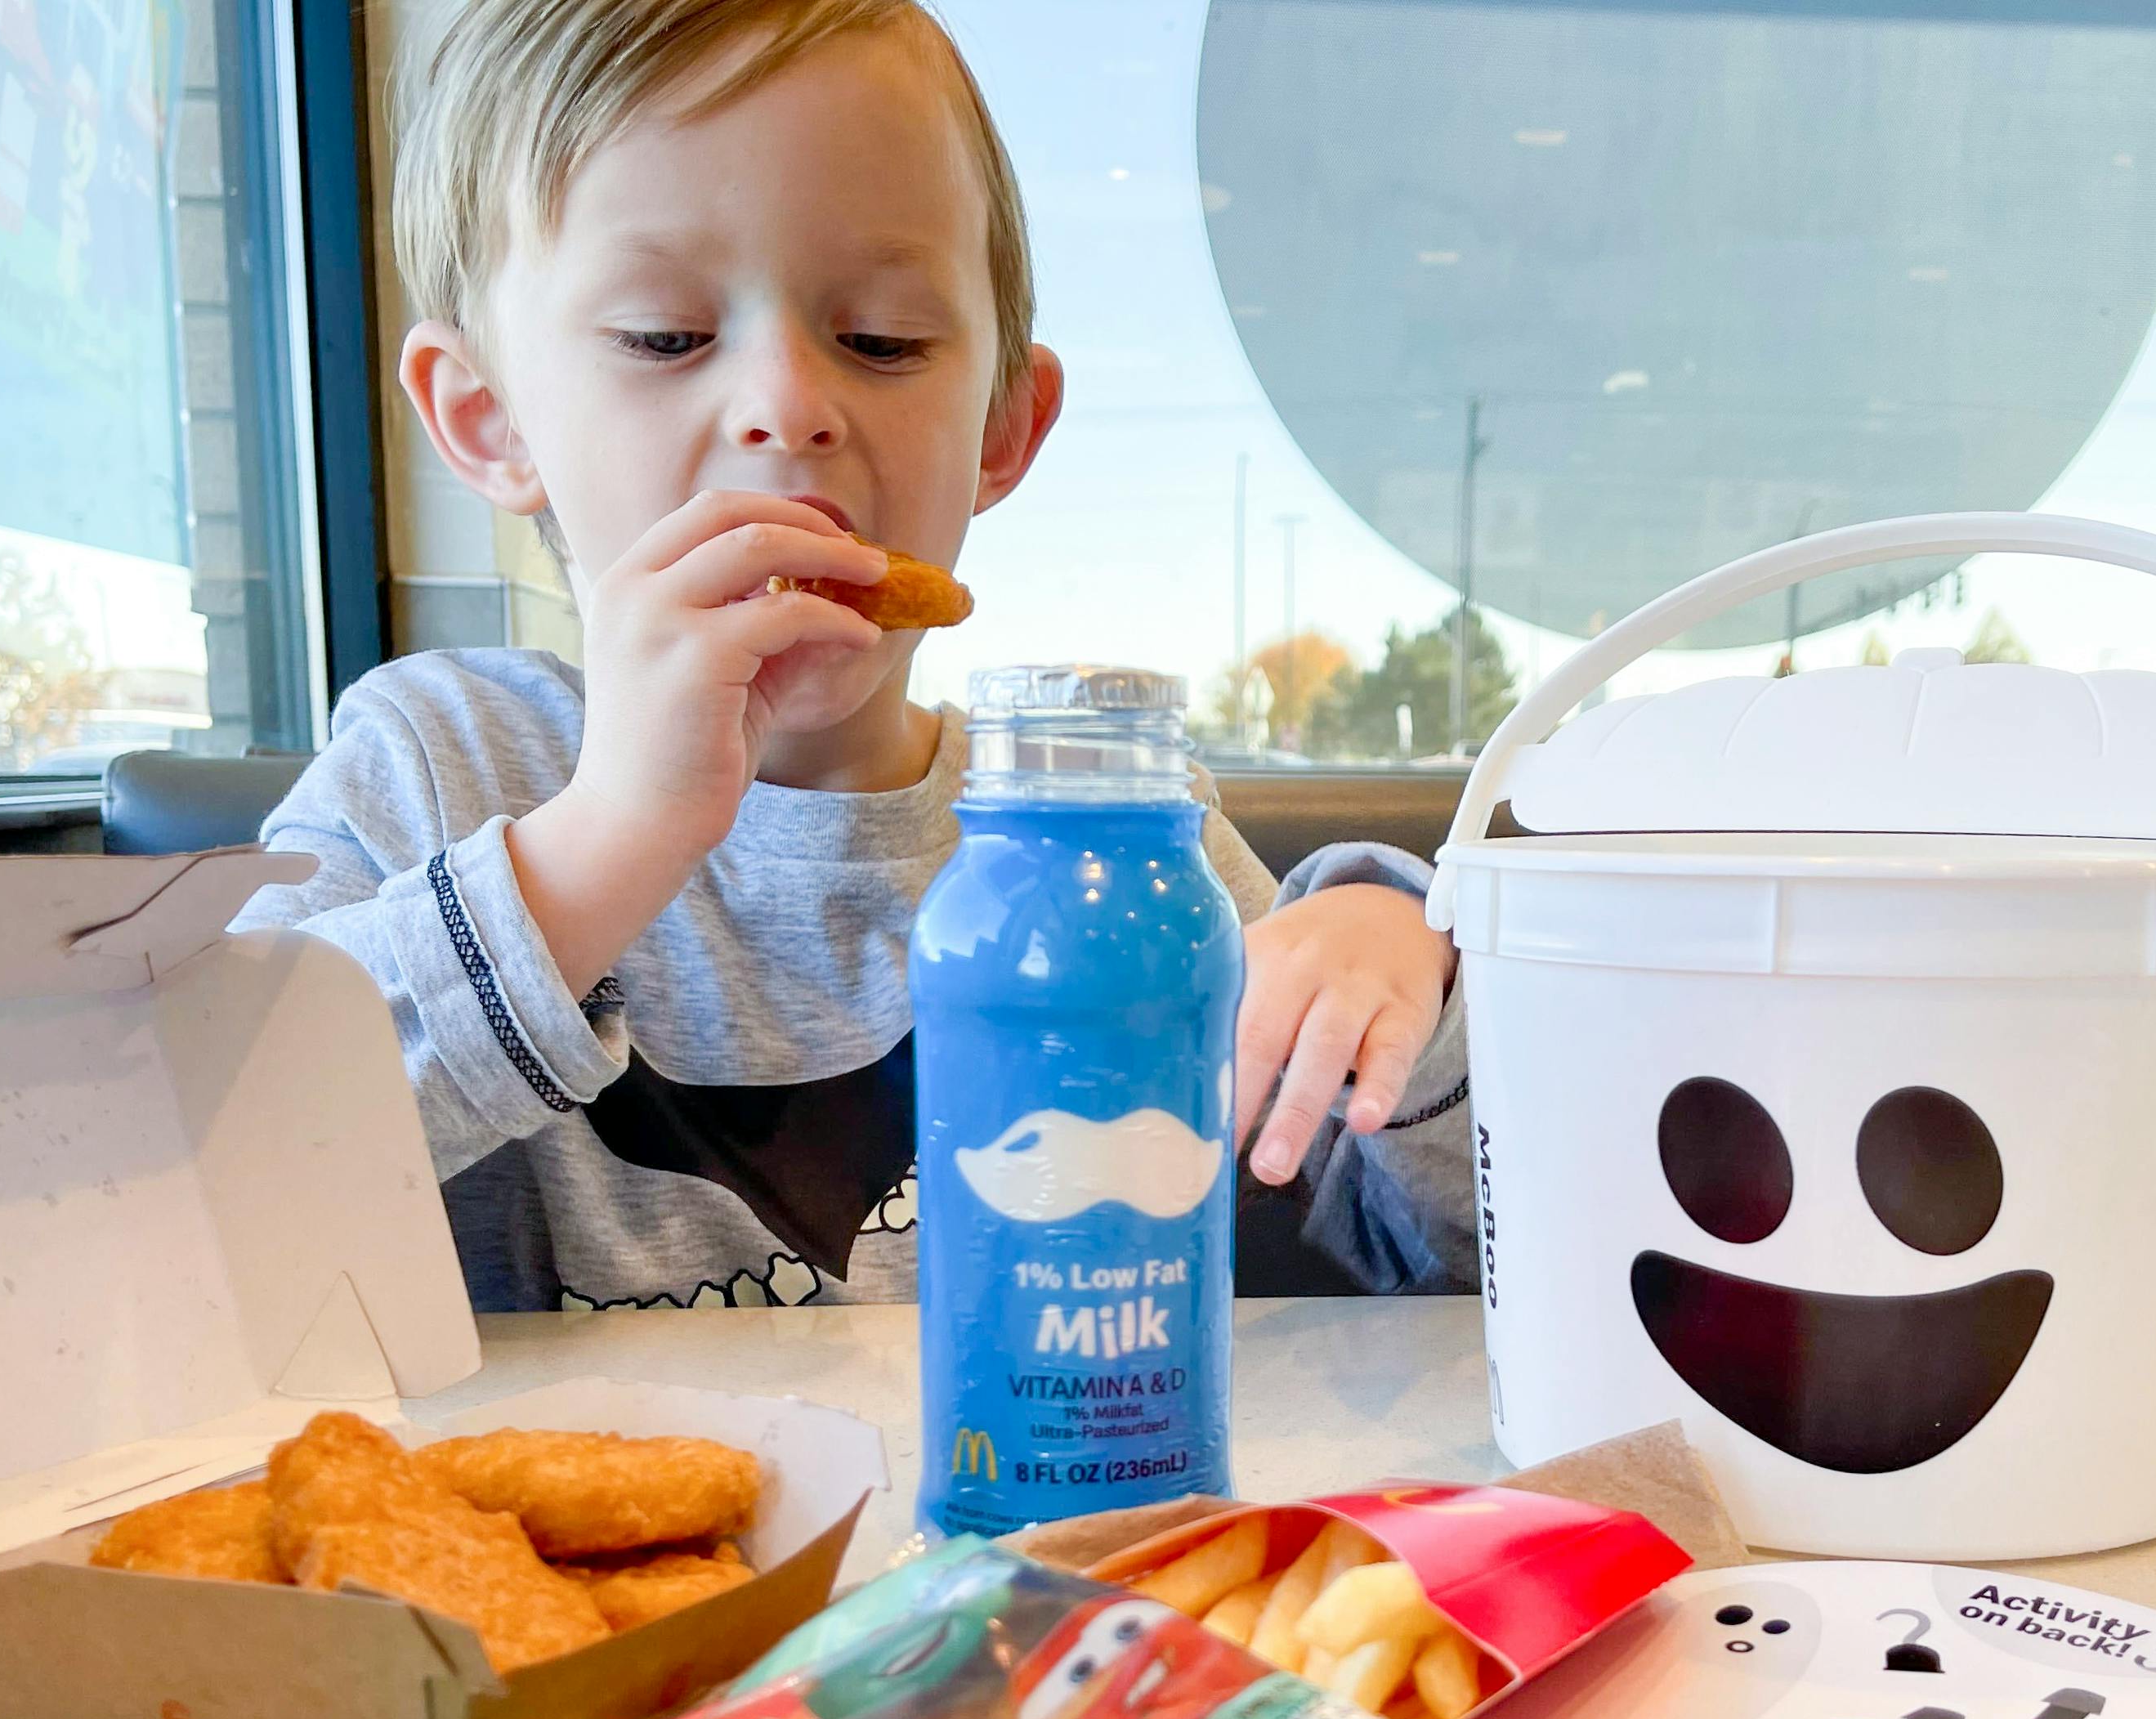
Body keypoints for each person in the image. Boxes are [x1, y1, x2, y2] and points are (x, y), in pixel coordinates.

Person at [236, 0, 1473, 1311]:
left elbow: (1436, 1258)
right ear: (491, 421)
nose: (786, 408)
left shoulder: (1105, 828)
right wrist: (603, 841)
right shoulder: (435, 762)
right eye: (666, 337)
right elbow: (211, 1171)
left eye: (881, 339)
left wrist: (1404, 979)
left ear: (1002, 428)